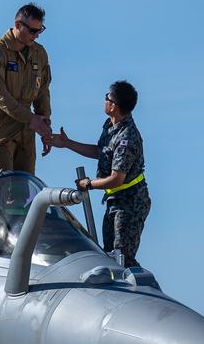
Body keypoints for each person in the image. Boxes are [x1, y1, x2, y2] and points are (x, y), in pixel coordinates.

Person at [44, 80, 150, 267]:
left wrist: (89, 184)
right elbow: (101, 152)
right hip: (114, 201)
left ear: (114, 106)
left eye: (107, 97)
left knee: (122, 258)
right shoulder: (110, 127)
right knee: (109, 254)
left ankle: (144, 289)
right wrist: (67, 144)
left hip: (130, 203)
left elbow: (117, 178)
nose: (104, 101)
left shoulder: (127, 137)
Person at [0, 2, 53, 176]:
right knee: (2, 187)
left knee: (26, 189)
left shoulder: (39, 53)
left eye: (40, 31)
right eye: (33, 31)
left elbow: (42, 91)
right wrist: (32, 119)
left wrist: (45, 124)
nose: (37, 36)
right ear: (18, 25)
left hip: (26, 129)